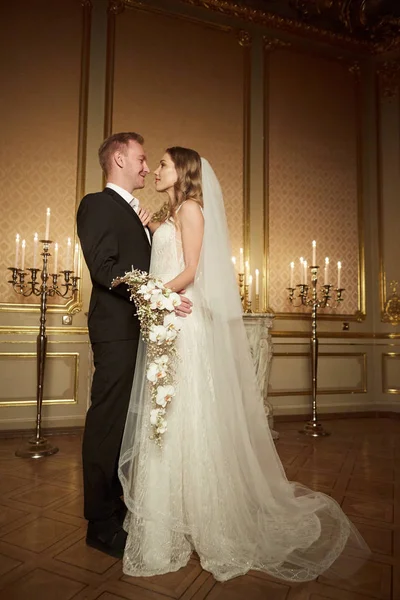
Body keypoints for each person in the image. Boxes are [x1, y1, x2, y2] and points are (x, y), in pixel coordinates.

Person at [118, 147, 369, 582]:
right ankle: (165, 523)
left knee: (183, 415)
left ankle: (204, 518)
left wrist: (152, 295)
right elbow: (172, 249)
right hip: (167, 323)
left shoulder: (193, 209)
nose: (156, 170)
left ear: (183, 170)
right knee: (167, 415)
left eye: (162, 164)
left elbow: (191, 269)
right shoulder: (175, 213)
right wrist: (152, 225)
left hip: (183, 324)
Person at [77, 133, 191, 559]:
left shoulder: (138, 214)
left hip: (139, 331)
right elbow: (104, 270)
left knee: (126, 424)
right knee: (106, 422)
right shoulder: (97, 204)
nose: (147, 167)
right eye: (142, 159)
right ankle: (99, 522)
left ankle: (117, 503)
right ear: (120, 158)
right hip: (116, 332)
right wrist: (161, 296)